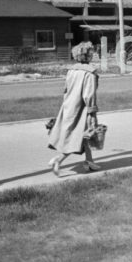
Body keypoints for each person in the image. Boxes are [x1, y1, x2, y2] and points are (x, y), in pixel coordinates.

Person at [47, 41, 101, 177]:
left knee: (85, 135)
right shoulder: (90, 73)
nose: (92, 55)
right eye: (90, 53)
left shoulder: (71, 70)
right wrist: (91, 110)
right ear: (86, 56)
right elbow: (88, 94)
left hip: (68, 106)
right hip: (81, 109)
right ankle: (58, 160)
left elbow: (66, 89)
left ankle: (89, 161)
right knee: (77, 136)